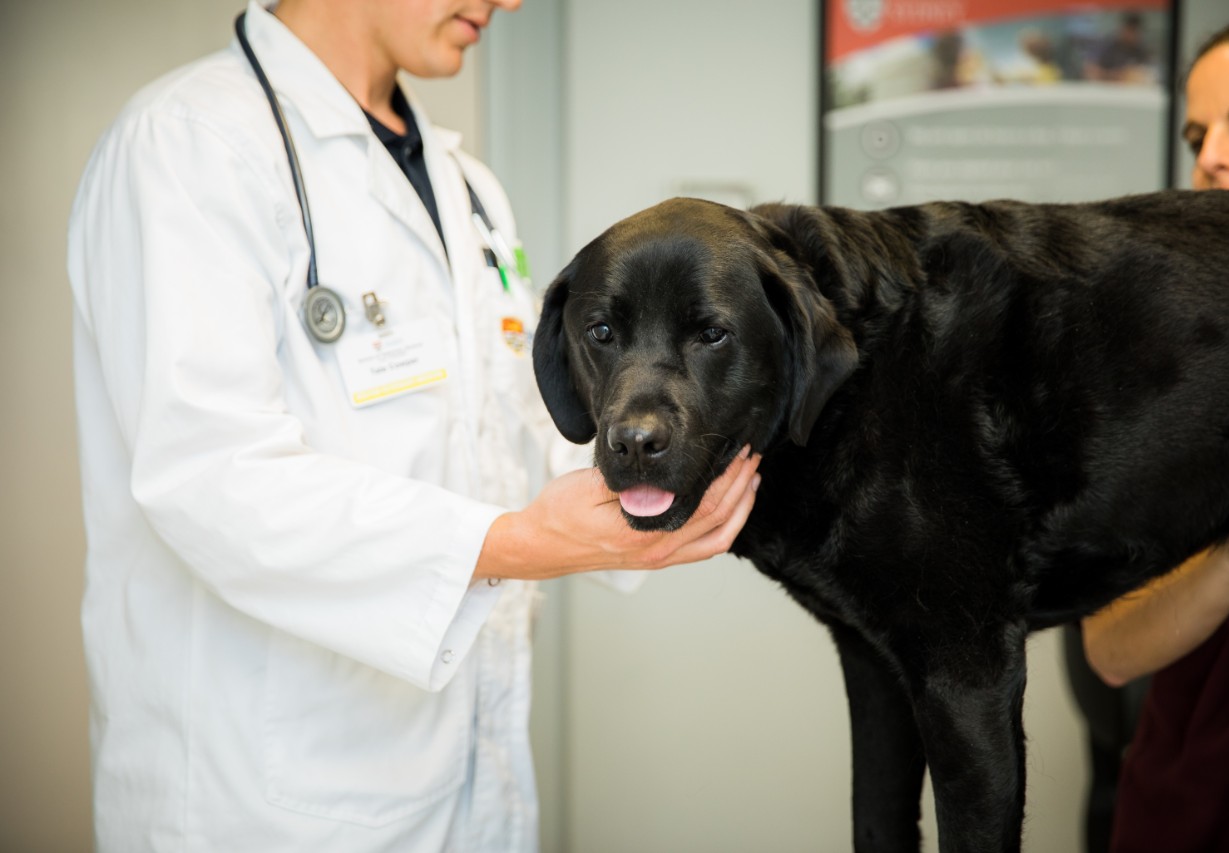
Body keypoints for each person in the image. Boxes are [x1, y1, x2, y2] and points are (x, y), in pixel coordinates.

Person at [66, 1, 762, 850]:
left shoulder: (466, 188)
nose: (509, 2)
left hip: (463, 772)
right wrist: (515, 545)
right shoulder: (188, 147)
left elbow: (511, 419)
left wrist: (673, 467)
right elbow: (210, 479)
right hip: (260, 794)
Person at [1080, 15, 1229, 852]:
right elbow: (1111, 648)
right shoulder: (1160, 356)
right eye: (1199, 134)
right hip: (1193, 804)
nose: (1211, 158)